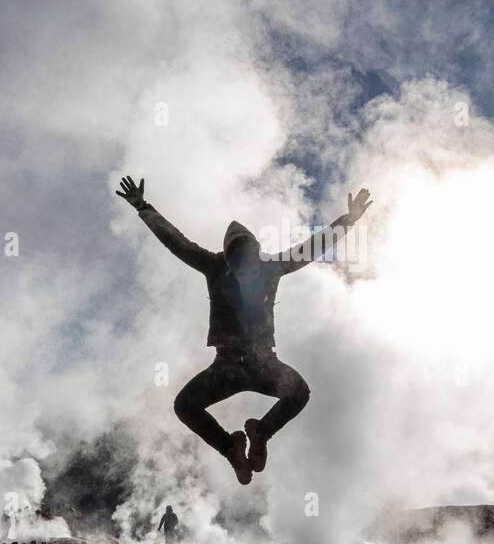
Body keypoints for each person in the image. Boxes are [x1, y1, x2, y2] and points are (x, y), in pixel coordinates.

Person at [116, 175, 372, 484]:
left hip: (264, 363)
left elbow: (311, 248)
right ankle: (231, 447)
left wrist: (349, 220)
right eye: (238, 262)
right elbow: (177, 242)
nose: (245, 269)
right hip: (226, 366)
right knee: (184, 406)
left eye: (249, 259)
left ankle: (260, 433)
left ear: (256, 252)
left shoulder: (272, 266)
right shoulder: (213, 265)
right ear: (228, 257)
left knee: (299, 393)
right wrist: (143, 207)